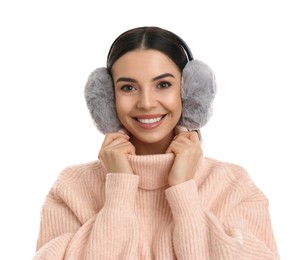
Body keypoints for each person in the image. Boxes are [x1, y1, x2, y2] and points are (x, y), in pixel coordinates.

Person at [33, 26, 280, 259]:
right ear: (108, 100)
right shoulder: (72, 188)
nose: (147, 103)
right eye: (128, 87)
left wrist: (183, 189)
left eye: (163, 84)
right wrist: (119, 188)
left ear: (190, 94)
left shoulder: (232, 185)